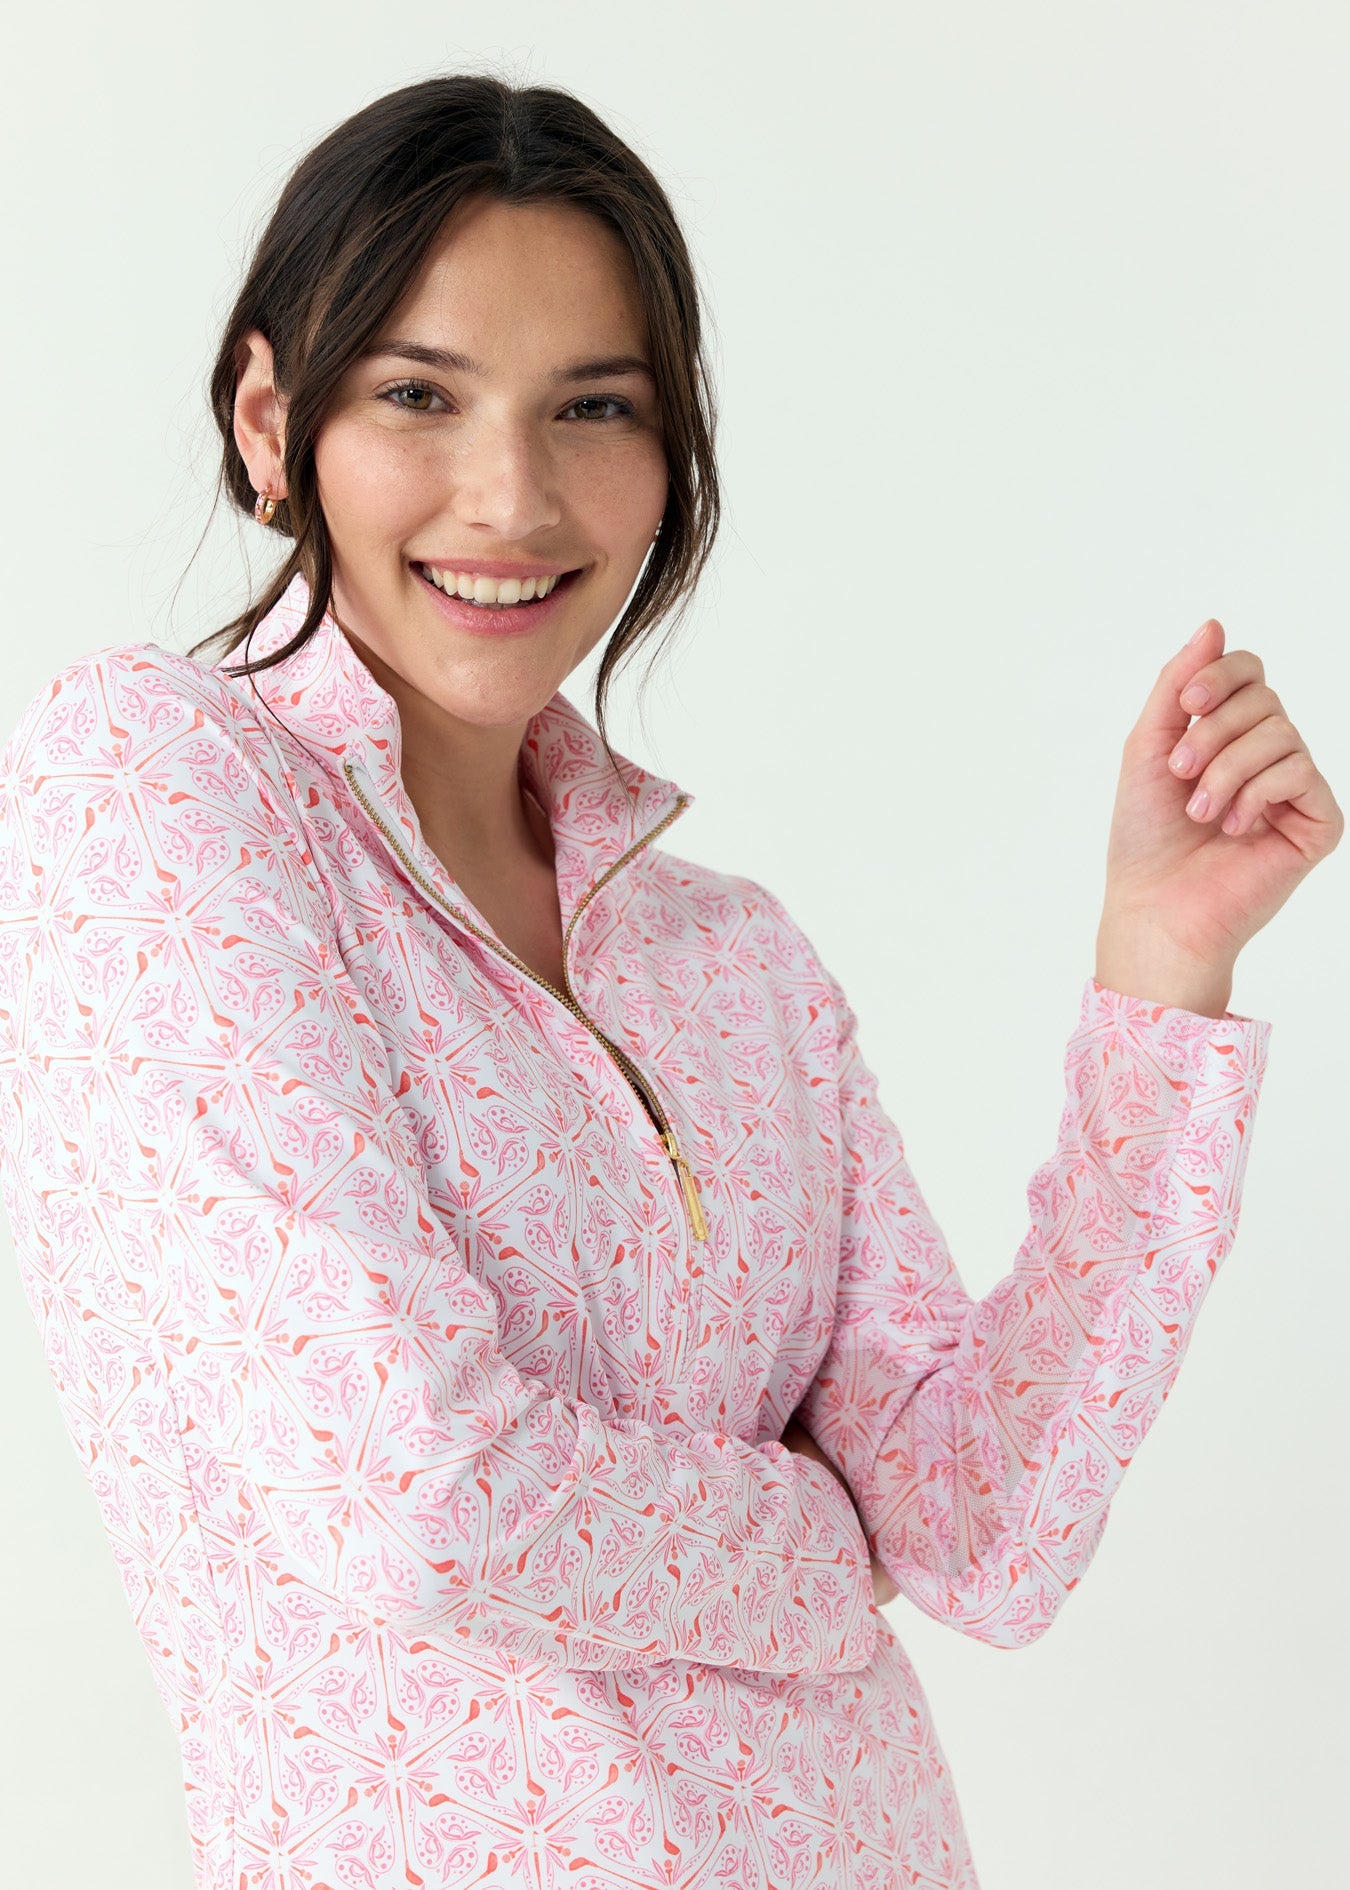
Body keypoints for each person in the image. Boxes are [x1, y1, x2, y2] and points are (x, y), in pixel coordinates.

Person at [0, 72, 1339, 1890]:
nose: (514, 494)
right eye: (418, 394)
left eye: (594, 409)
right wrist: (812, 1544)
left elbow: (981, 1533)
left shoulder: (735, 956)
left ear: (668, 452)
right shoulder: (154, 782)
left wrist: (1162, 975)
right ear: (268, 418)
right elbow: (413, 1492)